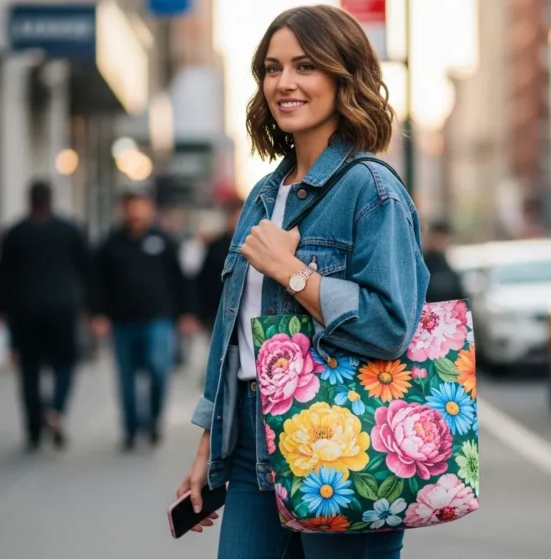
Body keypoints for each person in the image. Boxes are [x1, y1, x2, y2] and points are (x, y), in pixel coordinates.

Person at [177, 6, 429, 557]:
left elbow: (391, 325)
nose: (283, 83)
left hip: (342, 445)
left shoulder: (372, 190)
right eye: (272, 68)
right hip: (249, 444)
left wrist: (292, 273)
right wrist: (206, 447)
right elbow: (234, 340)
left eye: (304, 66)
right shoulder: (265, 195)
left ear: (344, 78)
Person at [0, 179, 96, 452]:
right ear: (52, 199)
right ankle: (56, 409)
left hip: (24, 310)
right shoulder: (69, 230)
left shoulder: (15, 233)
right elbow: (87, 270)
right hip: (62, 309)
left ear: (29, 200)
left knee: (29, 368)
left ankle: (34, 427)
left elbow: (1, 275)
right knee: (65, 363)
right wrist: (91, 309)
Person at [93, 191, 200, 451]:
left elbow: (180, 279)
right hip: (122, 321)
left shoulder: (164, 241)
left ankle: (152, 422)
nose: (137, 212)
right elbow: (97, 282)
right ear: (124, 210)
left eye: (141, 207)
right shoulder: (111, 244)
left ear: (149, 209)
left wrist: (186, 313)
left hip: (158, 320)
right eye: (132, 207)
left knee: (158, 368)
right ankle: (131, 429)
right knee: (126, 377)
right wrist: (98, 314)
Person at [196, 198, 245, 332]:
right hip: (217, 312)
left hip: (245, 313)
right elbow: (203, 280)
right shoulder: (216, 246)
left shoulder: (257, 247)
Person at [422, 221, 466, 303]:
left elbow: (459, 299)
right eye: (439, 237)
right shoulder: (421, 265)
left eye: (444, 238)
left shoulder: (448, 269)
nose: (441, 241)